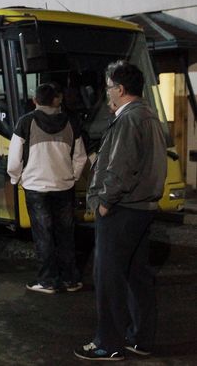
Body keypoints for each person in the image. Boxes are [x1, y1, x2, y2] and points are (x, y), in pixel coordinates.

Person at [75, 61, 166, 361]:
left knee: (109, 278)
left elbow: (119, 168)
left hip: (121, 208)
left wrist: (104, 203)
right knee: (137, 276)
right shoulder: (148, 115)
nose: (107, 93)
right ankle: (140, 338)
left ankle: (108, 343)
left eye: (109, 87)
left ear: (120, 89)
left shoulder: (128, 120)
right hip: (143, 208)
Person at [7, 83, 87, 294]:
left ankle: (47, 281)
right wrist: (73, 177)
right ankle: (70, 279)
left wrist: (17, 179)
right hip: (64, 186)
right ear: (56, 100)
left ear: (35, 101)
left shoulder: (25, 122)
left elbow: (14, 159)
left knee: (43, 234)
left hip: (35, 187)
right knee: (65, 234)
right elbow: (81, 157)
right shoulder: (71, 122)